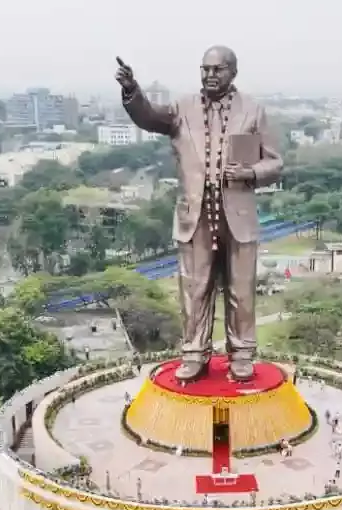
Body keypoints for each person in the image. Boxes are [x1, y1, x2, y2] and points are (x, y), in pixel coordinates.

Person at [115, 49, 282, 382]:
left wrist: (249, 172)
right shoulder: (182, 109)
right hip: (195, 214)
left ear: (233, 72)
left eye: (217, 69)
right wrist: (132, 91)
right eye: (204, 69)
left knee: (241, 289)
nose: (209, 75)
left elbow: (275, 163)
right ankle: (194, 352)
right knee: (195, 287)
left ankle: (242, 353)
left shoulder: (253, 110)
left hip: (238, 214)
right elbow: (148, 117)